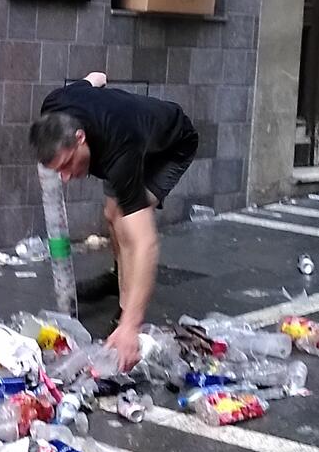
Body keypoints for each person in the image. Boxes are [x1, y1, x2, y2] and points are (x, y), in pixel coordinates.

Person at [30, 72, 198, 371]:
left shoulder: (120, 151)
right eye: (58, 170)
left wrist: (131, 328)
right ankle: (121, 280)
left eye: (68, 165)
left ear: (80, 137)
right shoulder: (55, 106)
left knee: (126, 221)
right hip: (127, 136)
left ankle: (126, 316)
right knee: (111, 213)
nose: (65, 178)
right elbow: (95, 78)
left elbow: (147, 243)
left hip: (172, 146)